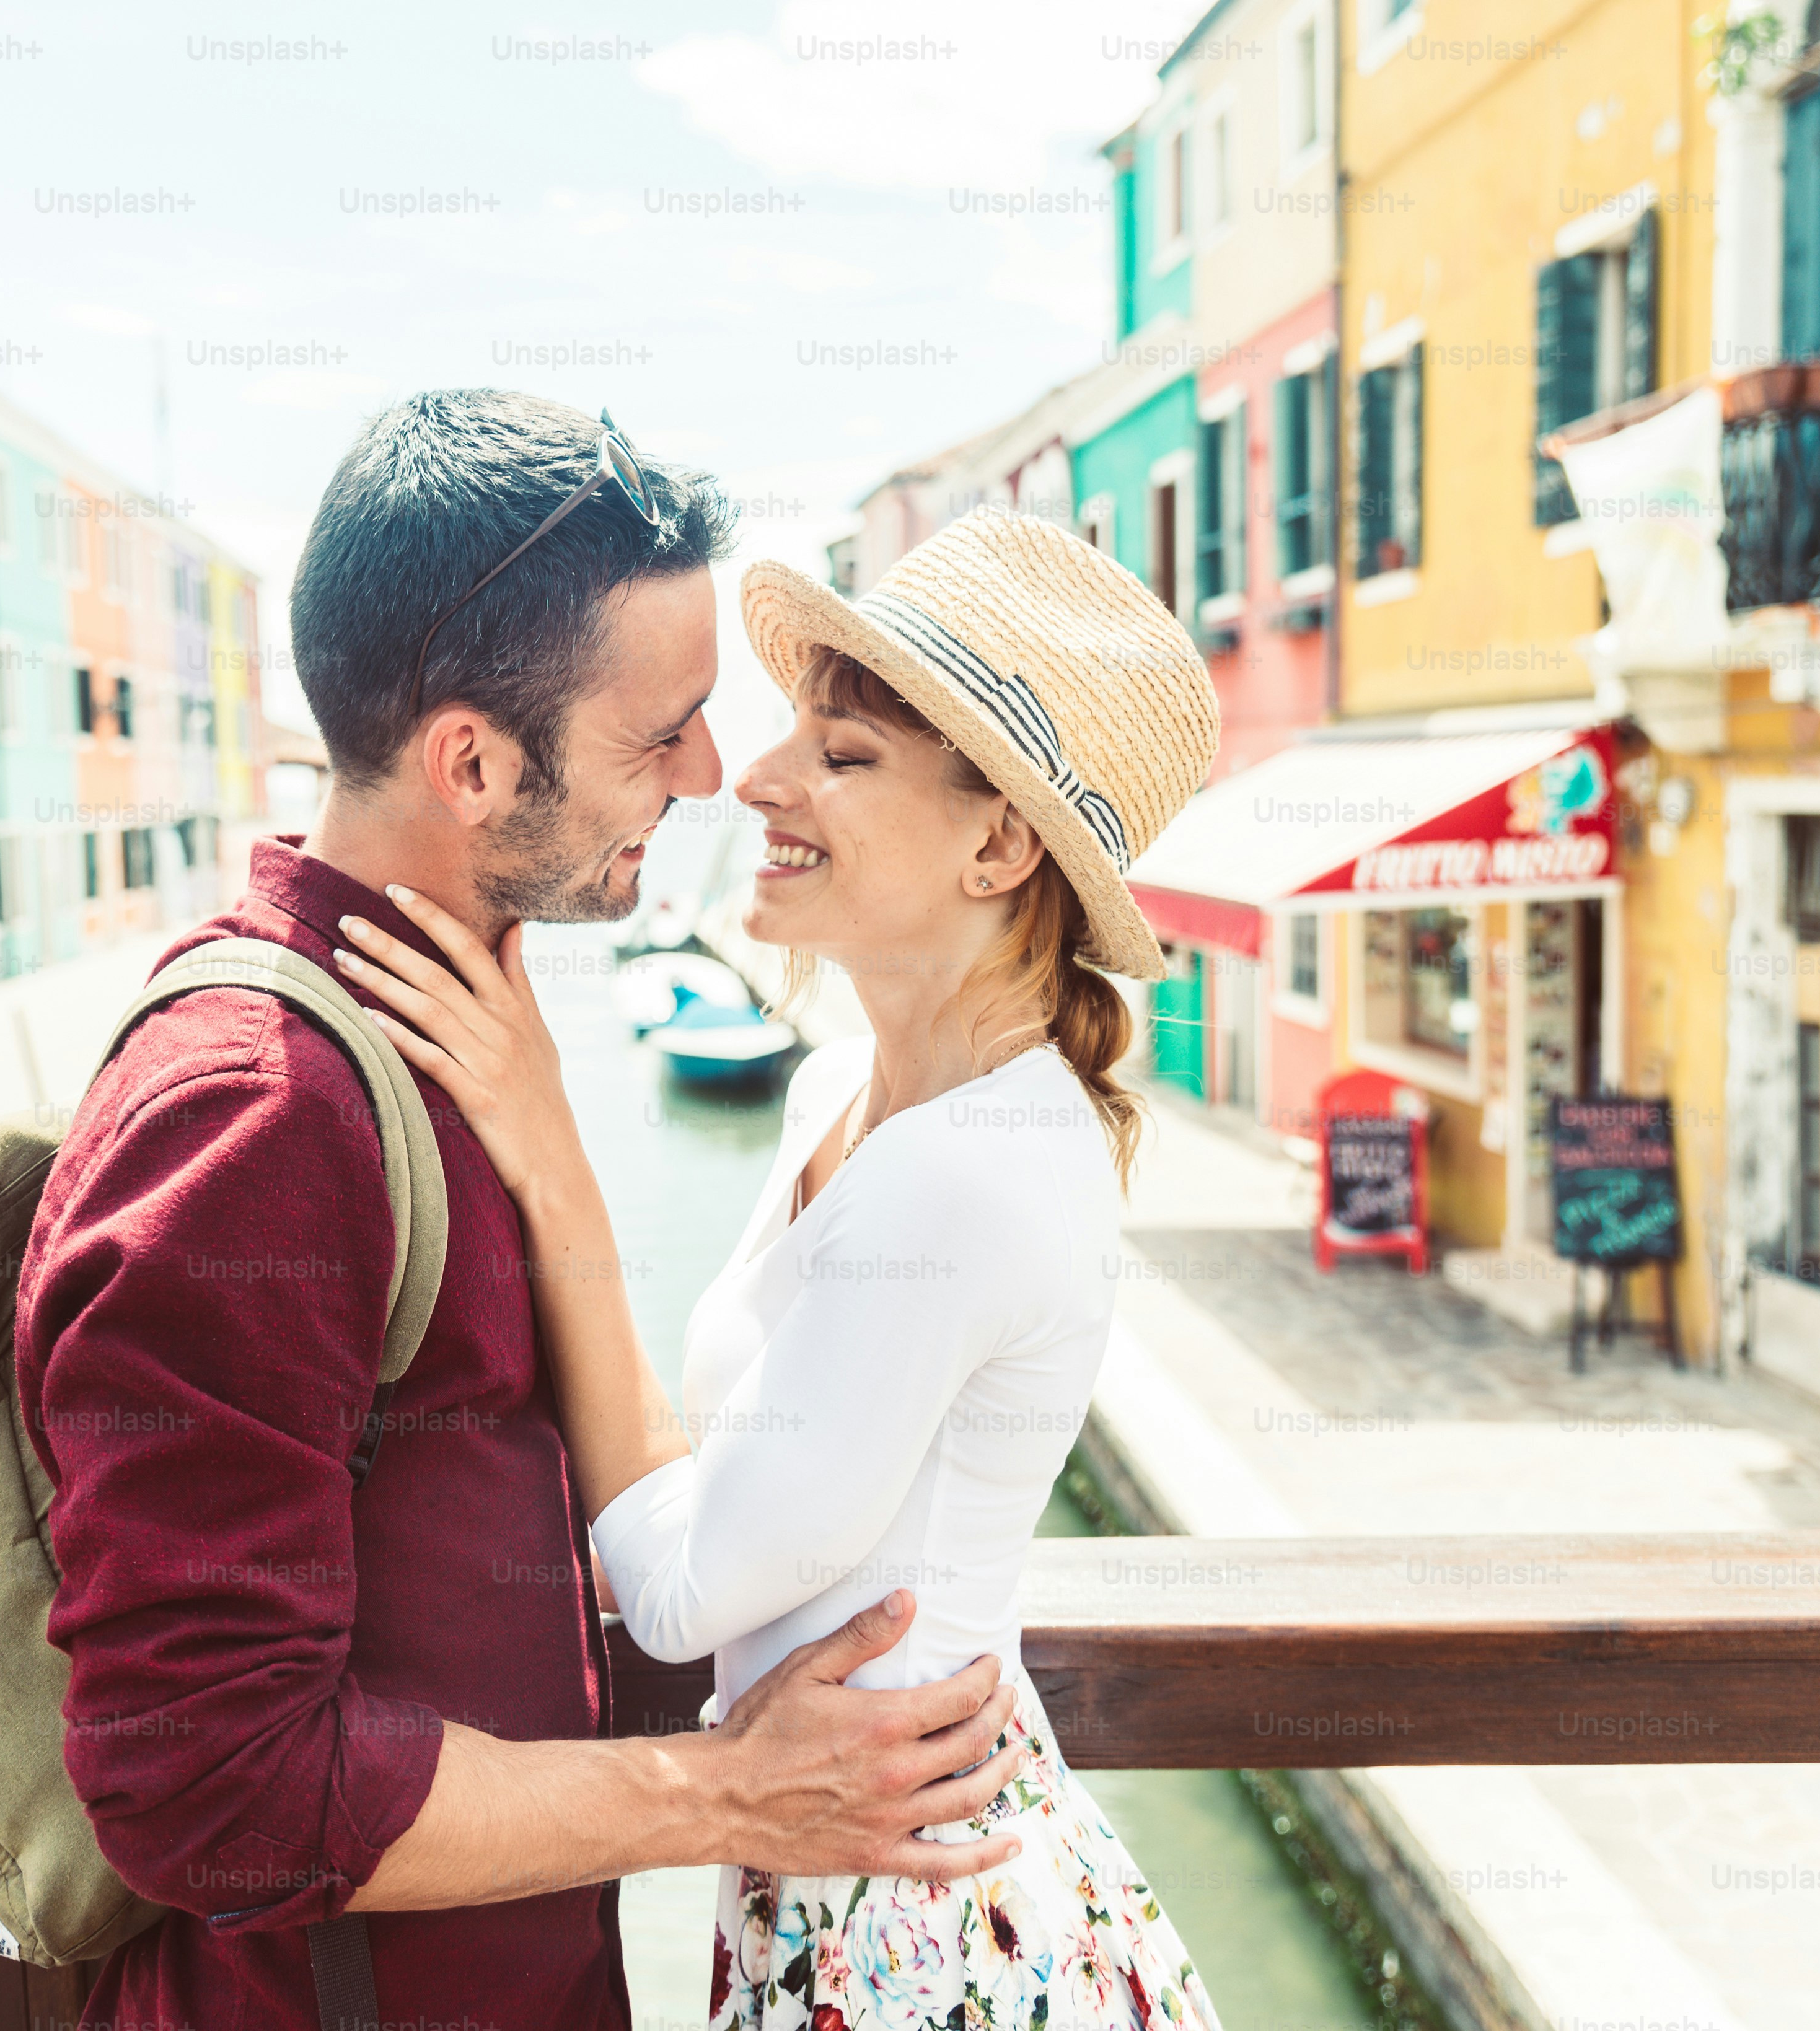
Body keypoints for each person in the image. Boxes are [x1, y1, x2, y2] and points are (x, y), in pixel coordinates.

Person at [14, 392, 1034, 2031]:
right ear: (473, 760)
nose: (712, 775)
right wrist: (725, 1790)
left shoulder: (431, 1040)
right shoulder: (258, 1113)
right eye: (660, 732)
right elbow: (206, 1781)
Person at [341, 505, 1228, 2027]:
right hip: (844, 1877)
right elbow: (724, 1493)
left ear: (999, 842)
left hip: (922, 1935)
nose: (753, 778)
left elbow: (683, 1595)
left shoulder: (963, 1175)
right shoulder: (840, 1095)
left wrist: (548, 1153)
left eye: (844, 754)